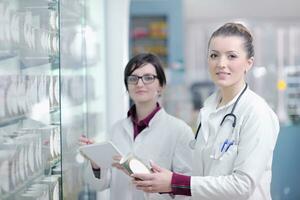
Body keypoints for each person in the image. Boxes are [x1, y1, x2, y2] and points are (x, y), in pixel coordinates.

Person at [132, 22, 280, 200]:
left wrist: (176, 182)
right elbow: (203, 178)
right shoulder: (208, 108)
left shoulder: (256, 112)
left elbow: (243, 186)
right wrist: (168, 183)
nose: (221, 63)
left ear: (249, 63)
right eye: (214, 55)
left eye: (231, 56)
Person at [79, 53, 194, 200]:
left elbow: (187, 191)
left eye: (148, 78)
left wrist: (147, 178)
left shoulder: (180, 131)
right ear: (127, 86)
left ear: (161, 86)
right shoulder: (116, 129)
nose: (139, 84)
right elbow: (100, 185)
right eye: (133, 78)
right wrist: (96, 163)